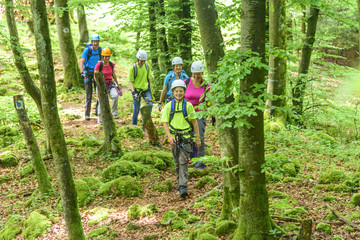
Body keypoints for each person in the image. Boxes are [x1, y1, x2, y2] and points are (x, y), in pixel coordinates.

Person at [161, 80, 201, 198]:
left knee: (183, 161)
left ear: (184, 92)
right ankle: (179, 181)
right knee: (176, 162)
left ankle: (183, 186)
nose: (178, 93)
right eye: (176, 91)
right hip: (174, 138)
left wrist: (197, 138)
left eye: (181, 91)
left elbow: (194, 122)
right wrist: (169, 136)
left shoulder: (188, 106)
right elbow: (165, 122)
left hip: (186, 138)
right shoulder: (169, 106)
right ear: (173, 92)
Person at [184, 61, 210, 170]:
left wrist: (213, 115)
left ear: (202, 73)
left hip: (200, 113)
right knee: (187, 136)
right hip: (186, 112)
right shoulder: (186, 82)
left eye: (198, 74)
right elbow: (178, 94)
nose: (196, 76)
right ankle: (190, 159)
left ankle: (200, 163)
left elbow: (209, 100)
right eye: (194, 74)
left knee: (199, 138)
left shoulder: (205, 85)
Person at [94, 48, 120, 124]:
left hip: (110, 84)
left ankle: (113, 113)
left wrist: (117, 85)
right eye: (105, 56)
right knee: (101, 101)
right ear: (102, 57)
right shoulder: (99, 65)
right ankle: (100, 119)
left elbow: (114, 75)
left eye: (108, 56)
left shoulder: (111, 65)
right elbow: (95, 76)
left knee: (115, 96)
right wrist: (99, 86)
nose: (107, 58)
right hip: (101, 85)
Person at [79, 33, 102, 120]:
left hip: (97, 74)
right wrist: (82, 72)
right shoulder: (87, 50)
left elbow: (103, 62)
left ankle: (98, 111)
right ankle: (87, 114)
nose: (95, 43)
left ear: (98, 42)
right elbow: (81, 62)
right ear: (92, 42)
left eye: (97, 41)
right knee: (89, 94)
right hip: (88, 73)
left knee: (98, 93)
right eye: (94, 41)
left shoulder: (100, 50)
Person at [129, 50, 153, 125]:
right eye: (141, 61)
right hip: (136, 90)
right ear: (137, 59)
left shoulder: (147, 66)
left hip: (145, 89)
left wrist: (150, 87)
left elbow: (148, 77)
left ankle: (145, 125)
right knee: (136, 108)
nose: (142, 63)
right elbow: (130, 81)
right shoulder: (133, 68)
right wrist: (133, 92)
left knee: (150, 105)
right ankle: (134, 126)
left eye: (144, 61)